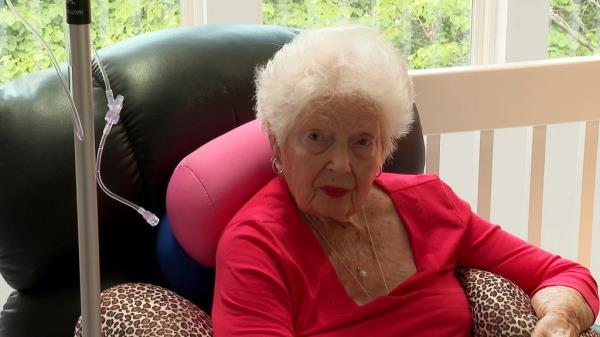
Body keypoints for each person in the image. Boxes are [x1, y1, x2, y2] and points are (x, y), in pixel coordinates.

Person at [211, 25, 598, 337]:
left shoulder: (430, 204)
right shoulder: (255, 246)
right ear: (278, 145)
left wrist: (559, 321)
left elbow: (567, 275)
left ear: (384, 150)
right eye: (317, 138)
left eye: (362, 142)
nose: (342, 165)